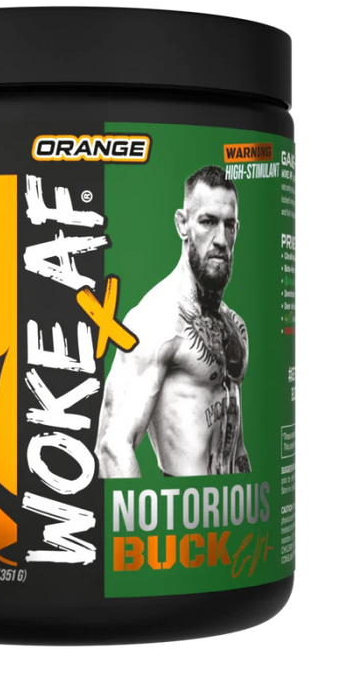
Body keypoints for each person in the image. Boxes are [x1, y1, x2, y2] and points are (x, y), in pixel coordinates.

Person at [96, 166, 252, 478]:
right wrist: (144, 510)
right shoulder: (155, 320)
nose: (221, 239)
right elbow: (112, 445)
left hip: (234, 505)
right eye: (208, 222)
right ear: (182, 224)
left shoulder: (235, 325)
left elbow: (236, 447)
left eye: (229, 225)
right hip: (184, 503)